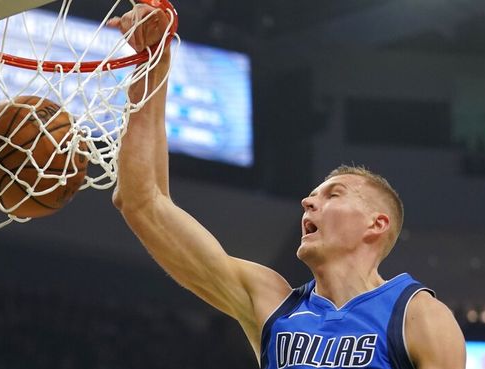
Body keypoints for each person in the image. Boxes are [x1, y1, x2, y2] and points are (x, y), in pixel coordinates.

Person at [109, 4, 466, 369]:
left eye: (333, 194)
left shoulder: (417, 316)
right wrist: (152, 62)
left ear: (376, 224)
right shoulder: (272, 301)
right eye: (314, 194)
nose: (308, 201)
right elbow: (143, 201)